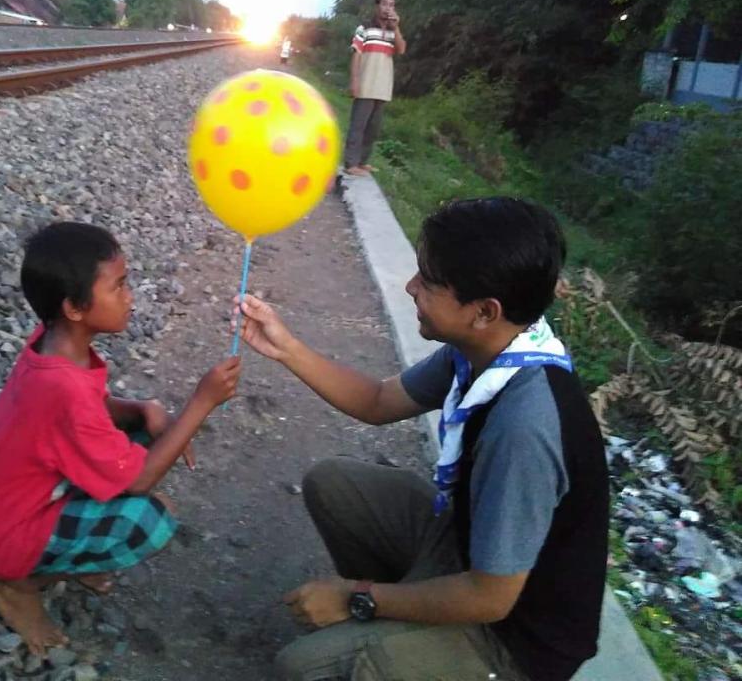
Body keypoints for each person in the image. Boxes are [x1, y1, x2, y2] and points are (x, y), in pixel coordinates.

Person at [235, 197, 608, 681]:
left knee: (300, 668)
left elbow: (491, 599)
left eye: (429, 282)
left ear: (483, 311)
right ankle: (401, 629)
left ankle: (396, 634)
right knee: (335, 485)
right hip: (468, 551)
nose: (411, 287)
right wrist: (285, 346)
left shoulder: (525, 425)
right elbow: (377, 401)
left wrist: (357, 598)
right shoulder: (490, 346)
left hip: (512, 638)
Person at [0, 221, 241, 656]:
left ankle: (67, 553)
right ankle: (19, 584)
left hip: (0, 506)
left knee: (146, 429)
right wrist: (202, 402)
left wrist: (142, 409)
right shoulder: (63, 389)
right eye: (119, 286)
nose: (130, 296)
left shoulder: (53, 346)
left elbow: (92, 412)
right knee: (150, 519)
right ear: (74, 307)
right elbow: (139, 480)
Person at [344, 0, 406, 176]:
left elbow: (401, 49)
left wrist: (396, 28)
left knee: (373, 128)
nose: (388, 8)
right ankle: (351, 163)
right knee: (358, 125)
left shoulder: (392, 32)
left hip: (383, 86)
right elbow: (356, 54)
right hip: (365, 83)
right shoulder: (364, 28)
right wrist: (354, 80)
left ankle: (362, 161)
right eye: (385, 4)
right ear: (377, 6)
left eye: (392, 5)